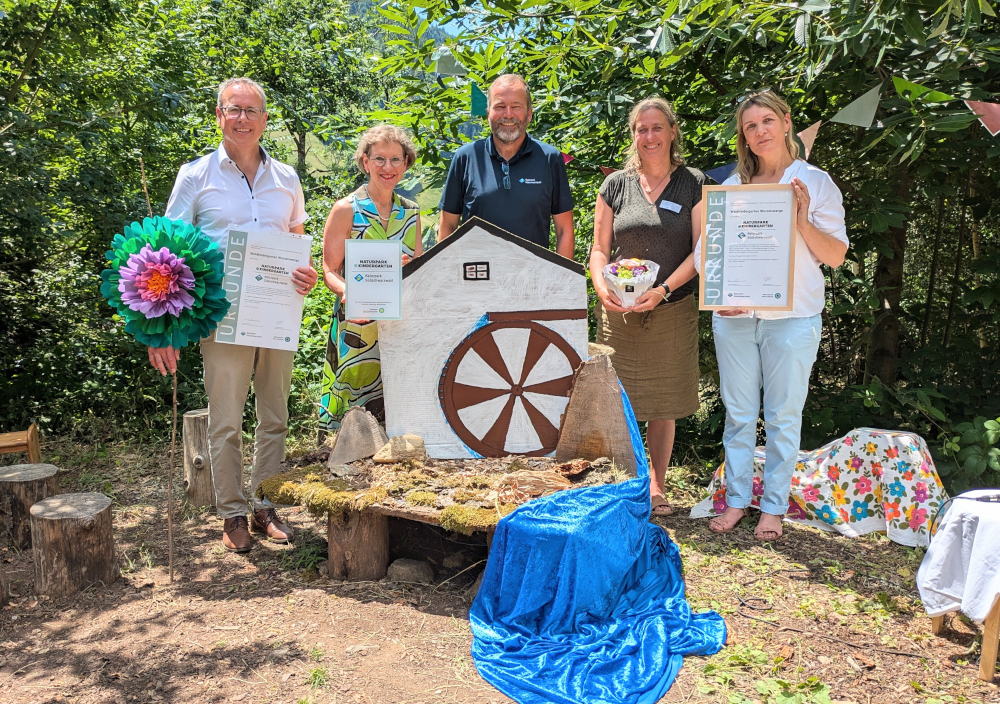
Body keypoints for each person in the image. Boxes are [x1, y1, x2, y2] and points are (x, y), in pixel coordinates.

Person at [156, 77, 318, 552]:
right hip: (221, 313)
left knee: (275, 415)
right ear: (219, 116)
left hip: (276, 313)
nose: (243, 118)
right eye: (234, 109)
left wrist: (305, 275)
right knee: (226, 420)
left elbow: (296, 240)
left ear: (266, 119)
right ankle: (231, 513)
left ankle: (265, 504)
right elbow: (165, 250)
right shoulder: (195, 175)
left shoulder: (287, 177)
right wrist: (162, 325)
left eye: (252, 110)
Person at [698, 89, 848, 540]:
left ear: (786, 122)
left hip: (793, 316)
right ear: (743, 137)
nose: (759, 131)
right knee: (739, 413)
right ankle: (738, 500)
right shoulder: (731, 188)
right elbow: (711, 251)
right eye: (750, 126)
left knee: (784, 415)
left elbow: (836, 255)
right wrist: (719, 292)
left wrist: (802, 220)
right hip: (735, 317)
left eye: (766, 121)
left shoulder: (814, 182)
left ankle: (774, 508)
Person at [589, 97, 707, 517]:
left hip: (671, 307)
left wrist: (662, 290)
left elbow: (702, 249)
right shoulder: (615, 185)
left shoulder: (693, 182)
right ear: (633, 134)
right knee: (617, 399)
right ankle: (623, 481)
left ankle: (656, 486)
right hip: (619, 311)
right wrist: (602, 285)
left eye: (657, 128)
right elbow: (599, 249)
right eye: (642, 129)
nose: (649, 136)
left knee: (663, 401)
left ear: (672, 132)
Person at [318, 125, 422, 436]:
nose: (387, 168)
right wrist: (348, 290)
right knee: (353, 397)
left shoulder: (412, 212)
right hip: (358, 325)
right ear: (365, 162)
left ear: (406, 163)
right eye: (379, 159)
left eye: (395, 160)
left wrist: (410, 265)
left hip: (397, 323)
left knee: (395, 395)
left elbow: (418, 266)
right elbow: (328, 269)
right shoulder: (346, 209)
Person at [438, 73, 574, 257]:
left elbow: (564, 230)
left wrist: (560, 281)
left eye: (516, 107)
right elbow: (448, 226)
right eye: (500, 107)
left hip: (533, 279)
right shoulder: (466, 157)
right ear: (488, 114)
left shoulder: (550, 158)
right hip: (476, 279)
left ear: (529, 114)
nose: (508, 115)